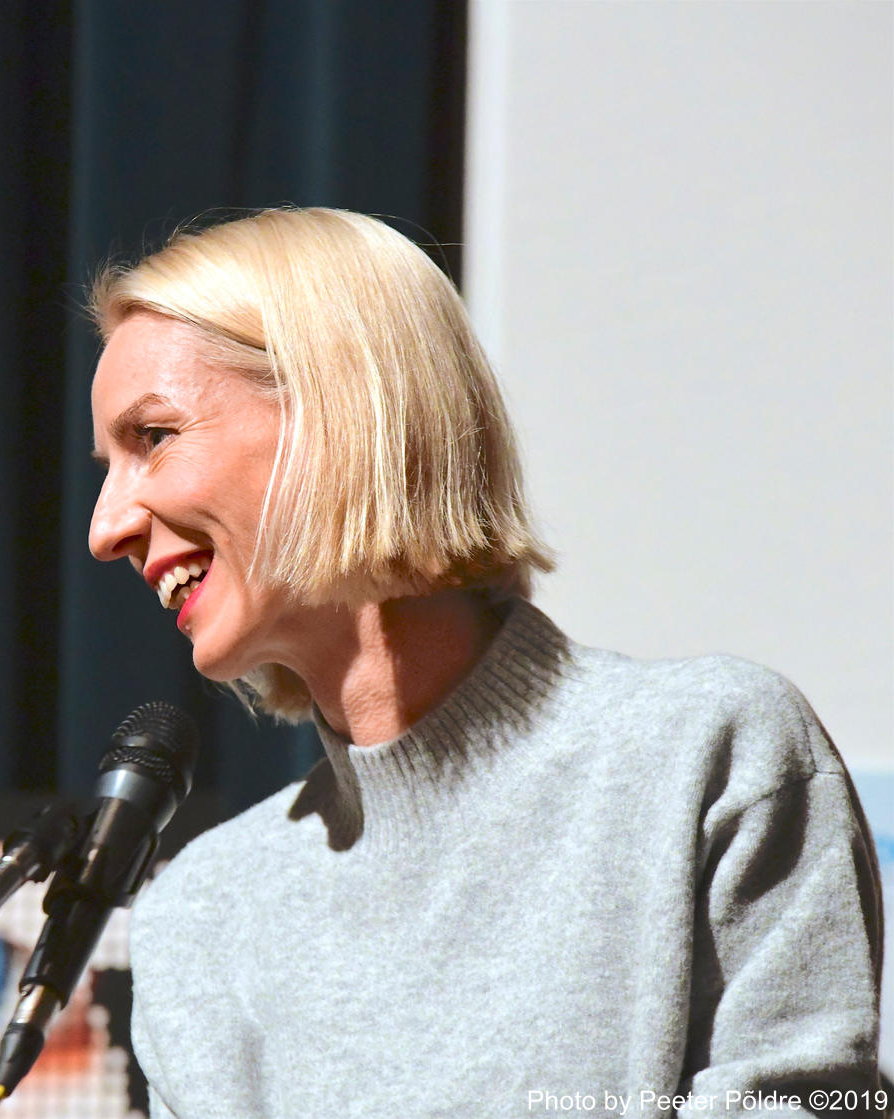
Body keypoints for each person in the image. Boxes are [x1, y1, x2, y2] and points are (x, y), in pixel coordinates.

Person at [85, 207, 882, 1118]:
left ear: (342, 409)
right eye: (106, 467)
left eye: (153, 437)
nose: (105, 528)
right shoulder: (200, 915)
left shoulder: (707, 757)